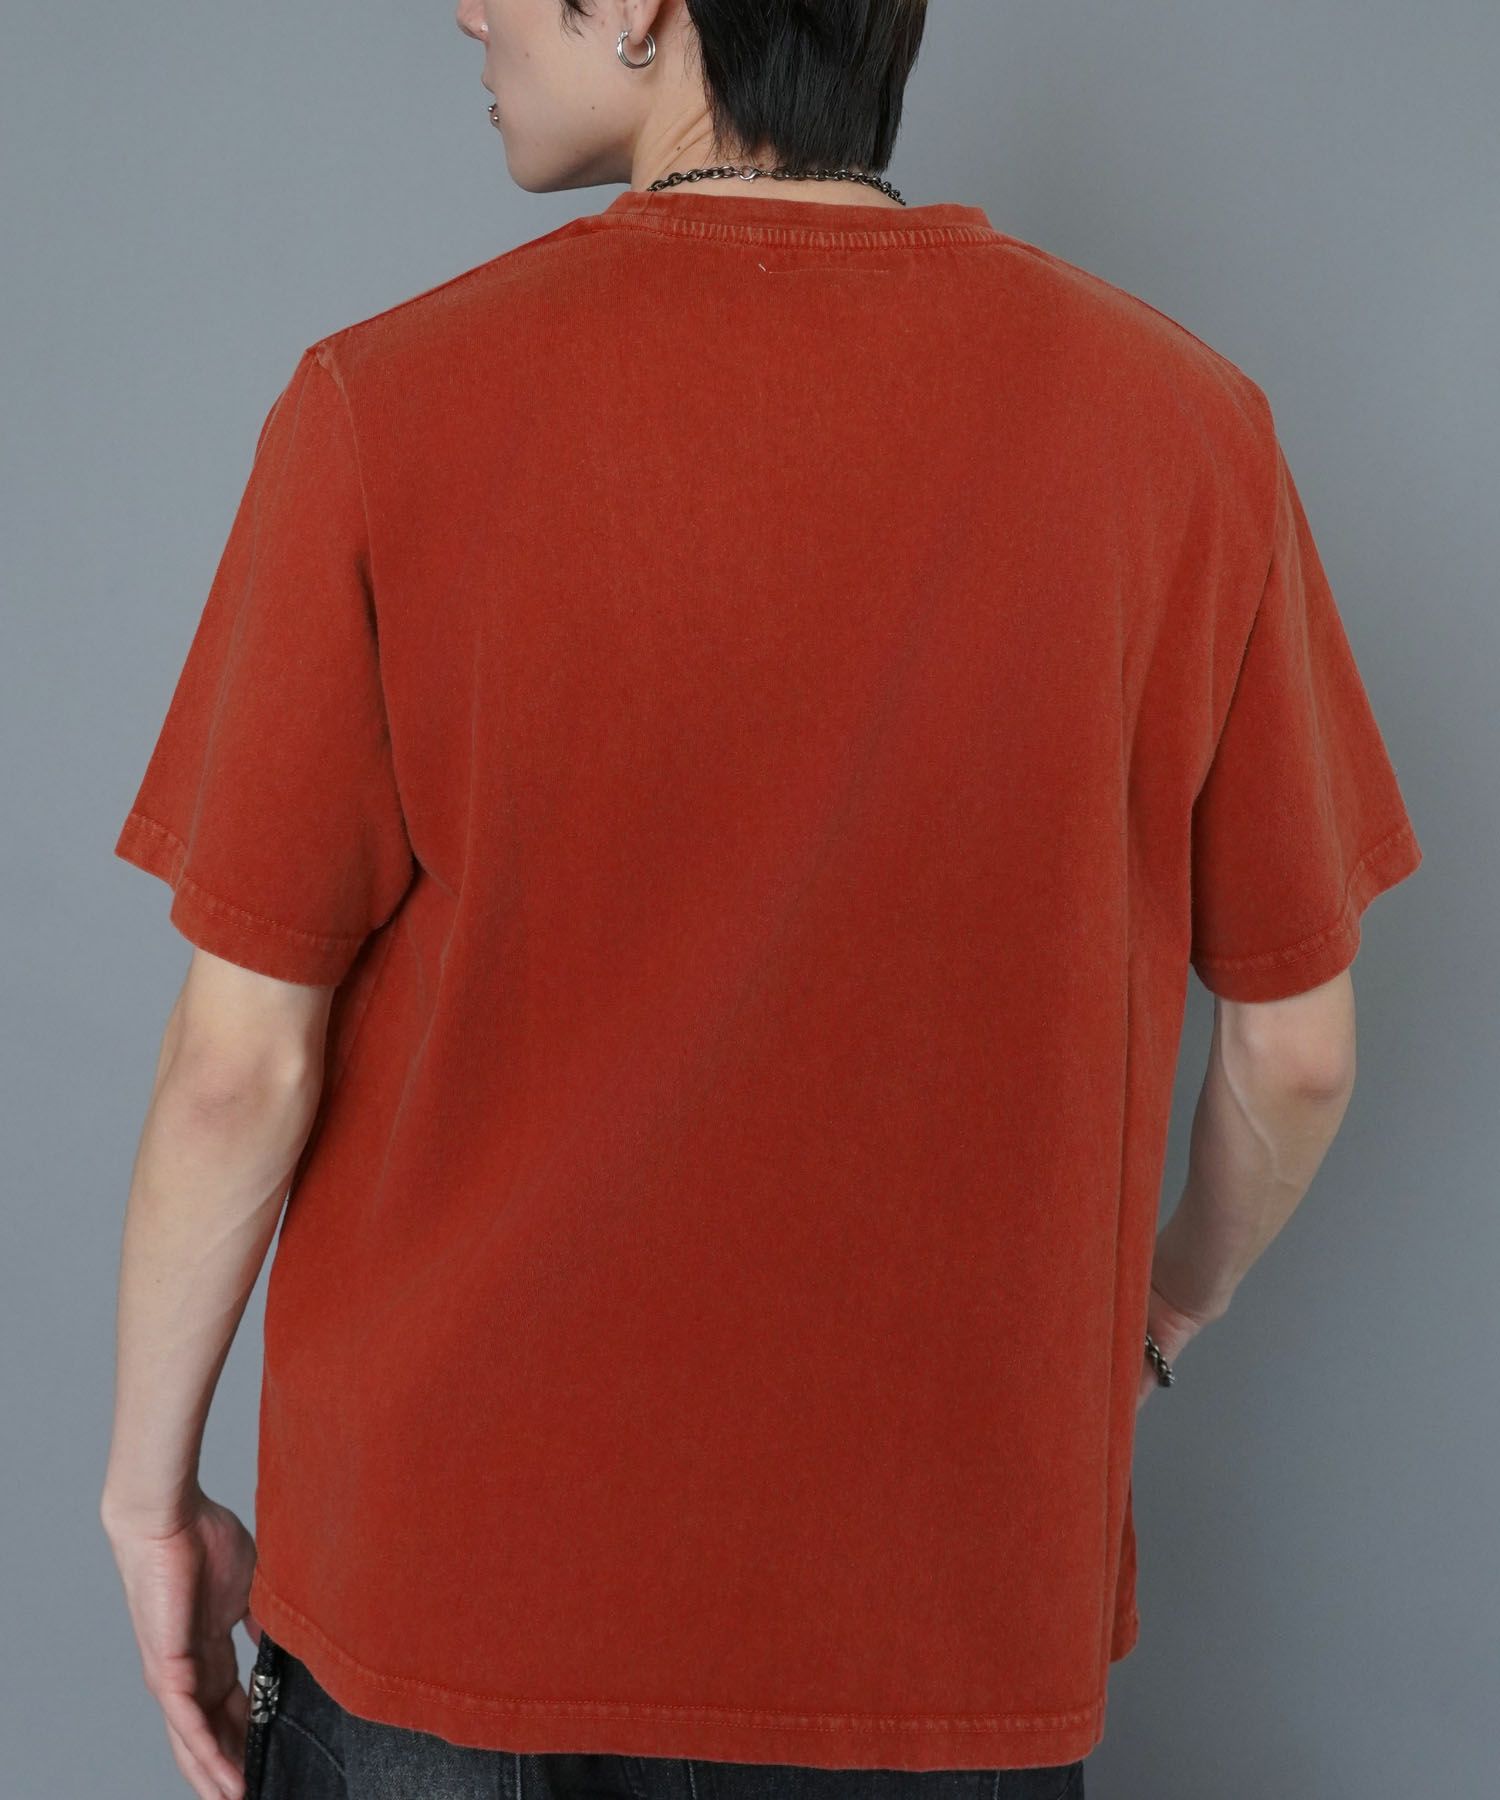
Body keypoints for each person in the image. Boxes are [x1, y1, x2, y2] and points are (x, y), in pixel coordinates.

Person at [99, 2, 1424, 1798]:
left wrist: (150, 1495)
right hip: (936, 1629)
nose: (471, 9)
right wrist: (1163, 1314)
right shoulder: (1189, 430)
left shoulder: (383, 408)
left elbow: (236, 1069)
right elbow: (1297, 1053)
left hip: (449, 1602)